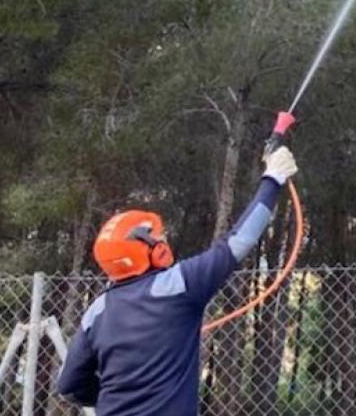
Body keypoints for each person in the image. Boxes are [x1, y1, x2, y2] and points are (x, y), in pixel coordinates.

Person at [57, 147, 298, 415]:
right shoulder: (179, 286)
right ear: (149, 251)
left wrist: (112, 400)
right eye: (159, 238)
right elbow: (240, 240)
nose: (164, 240)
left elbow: (69, 386)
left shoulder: (97, 311)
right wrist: (273, 178)